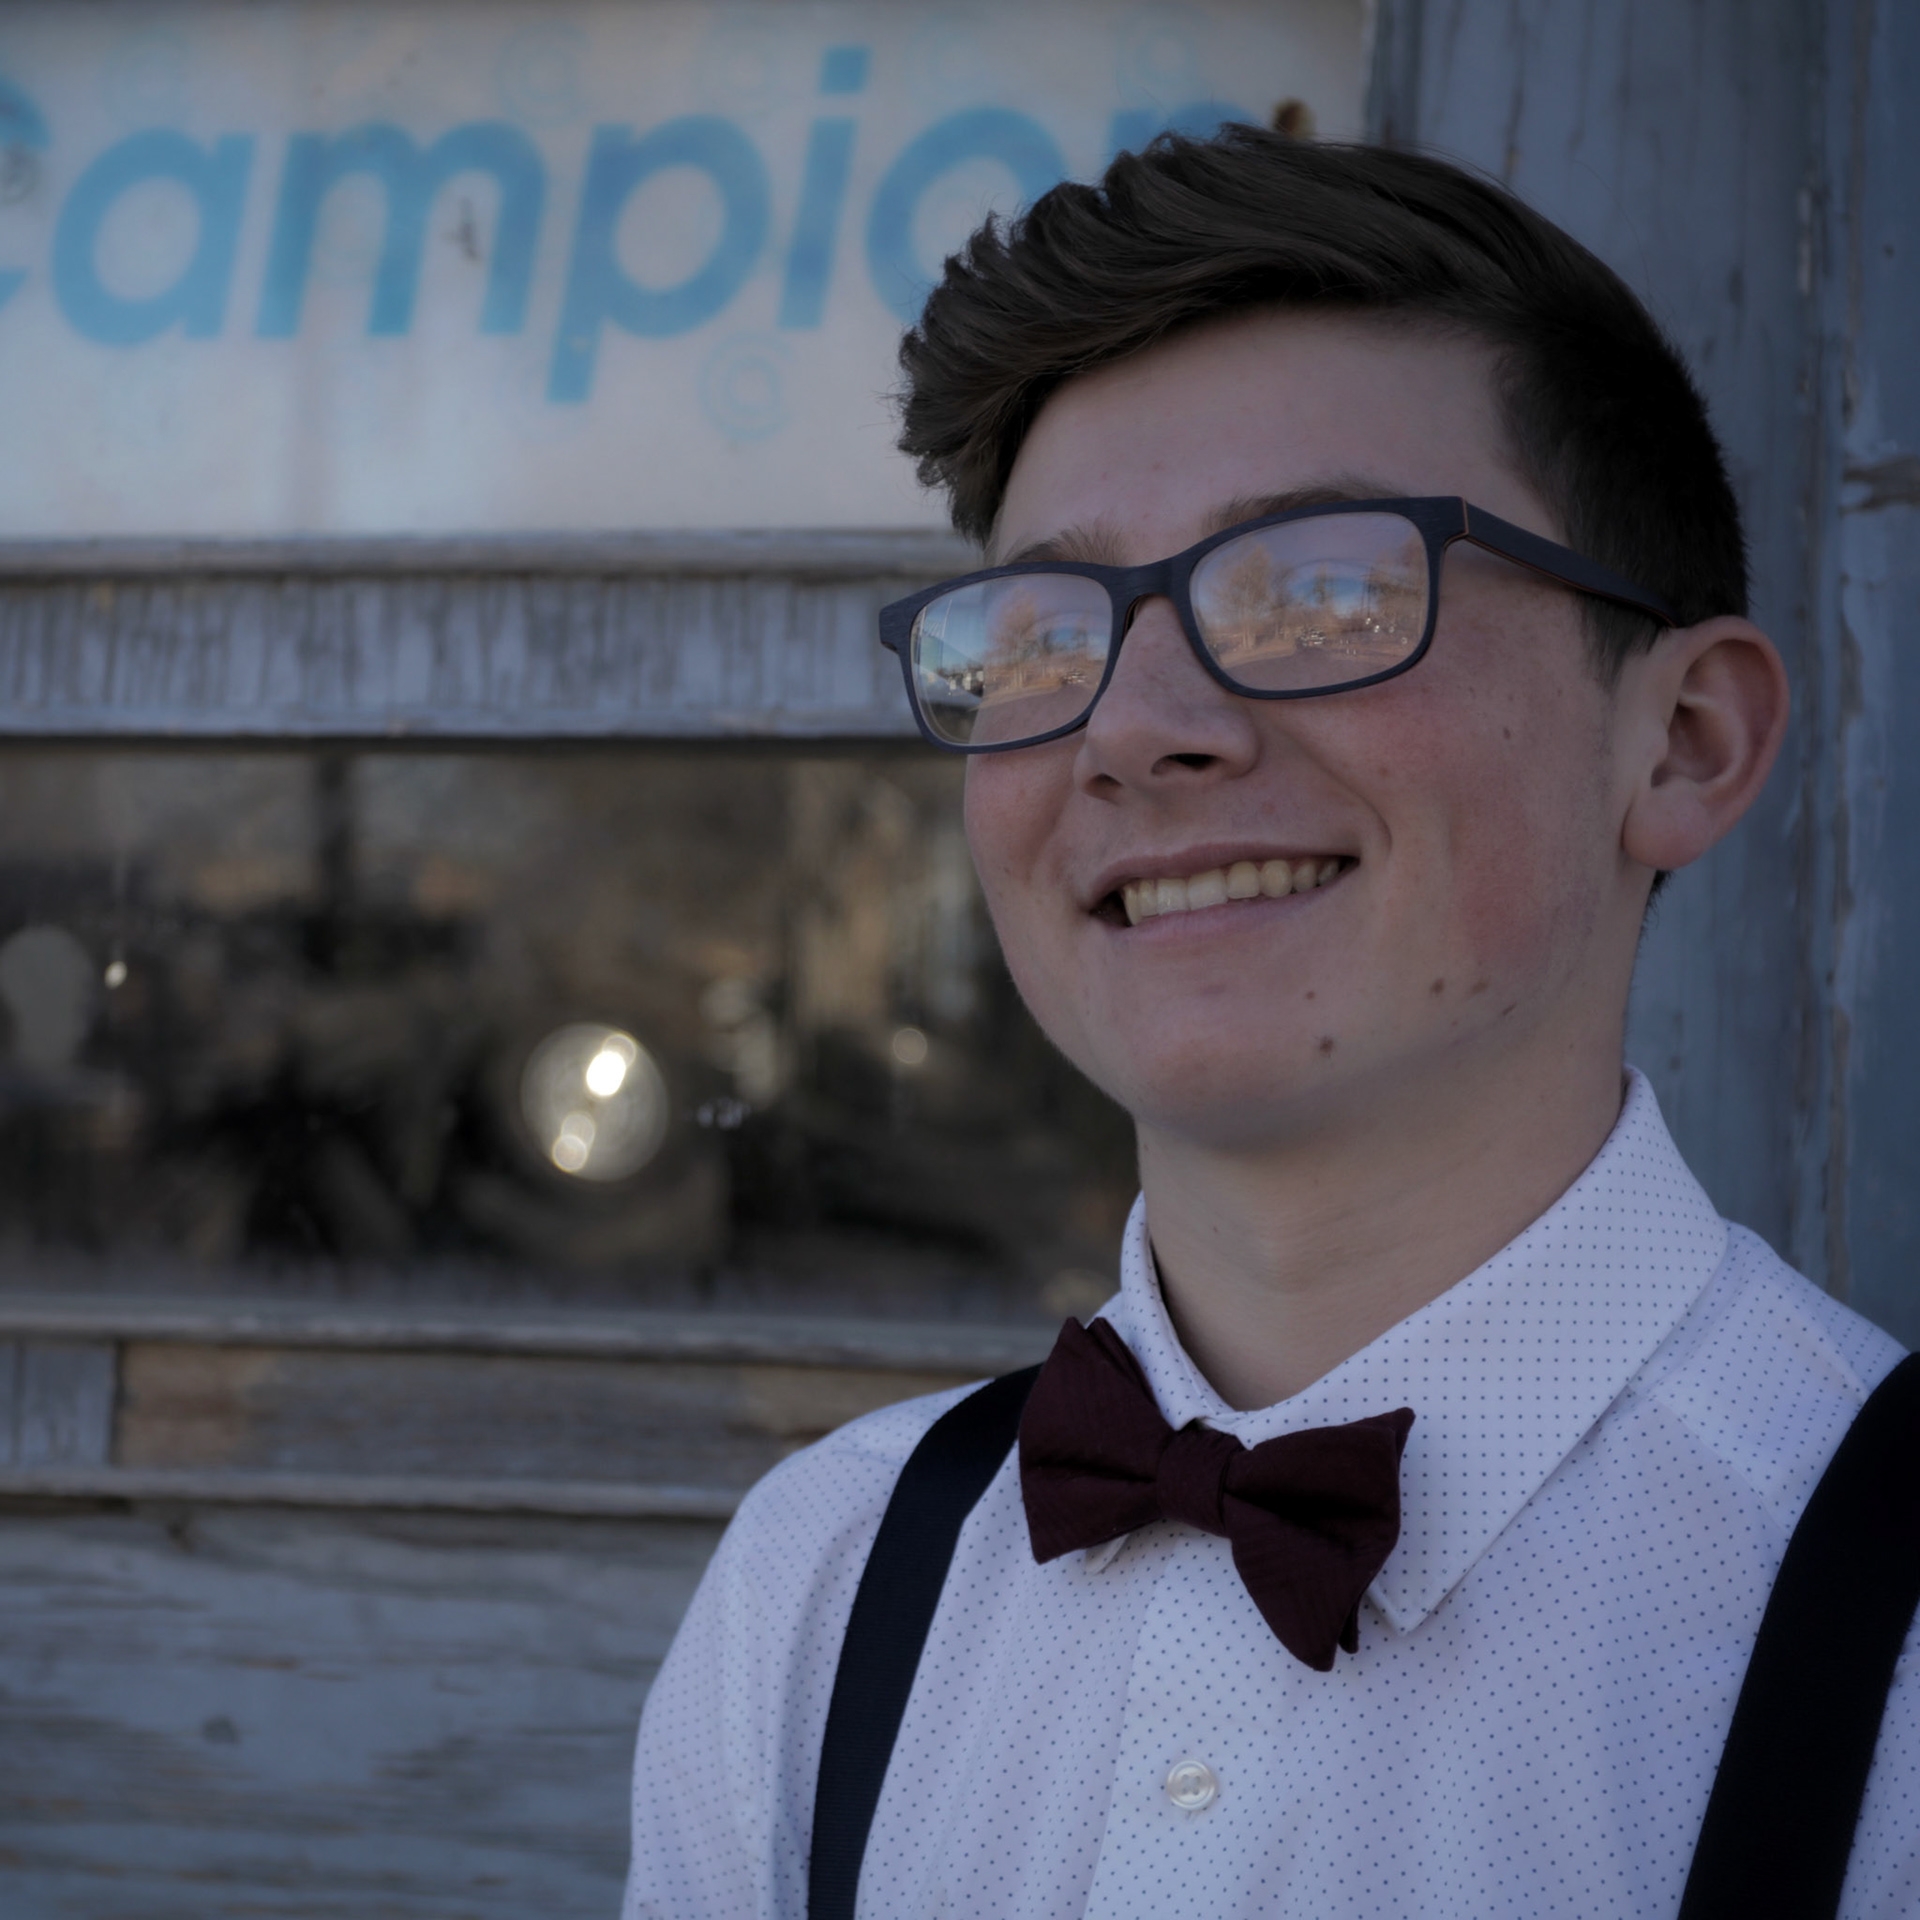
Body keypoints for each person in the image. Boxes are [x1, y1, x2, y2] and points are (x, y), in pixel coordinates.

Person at [622, 128, 1918, 1918]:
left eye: (1321, 592)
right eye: (1038, 635)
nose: (1133, 728)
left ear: (1684, 740)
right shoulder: (819, 1592)